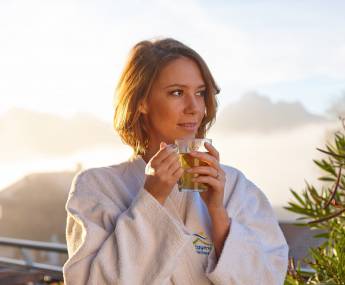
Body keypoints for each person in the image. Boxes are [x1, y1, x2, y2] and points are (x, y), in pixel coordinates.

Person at [63, 38, 289, 284]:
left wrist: (218, 214)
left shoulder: (234, 186)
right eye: (177, 93)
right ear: (142, 102)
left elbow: (270, 278)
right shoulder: (98, 186)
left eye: (200, 93)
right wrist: (151, 200)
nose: (194, 108)